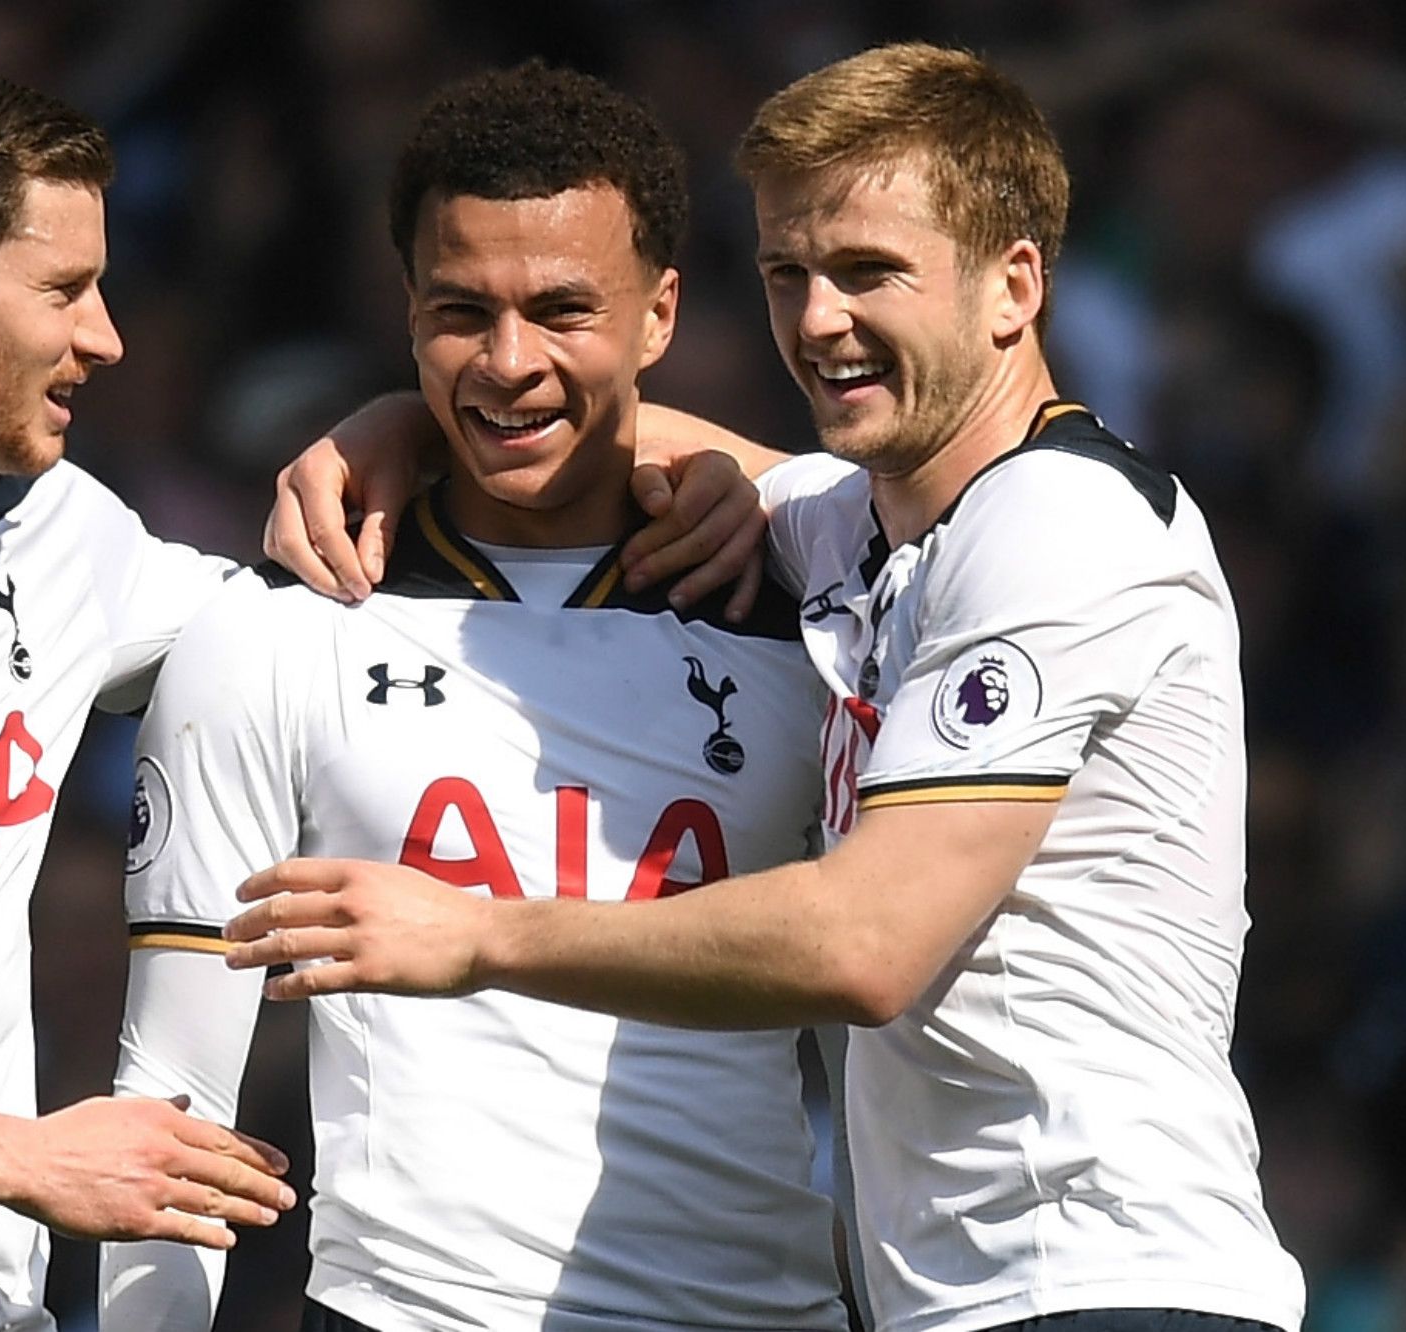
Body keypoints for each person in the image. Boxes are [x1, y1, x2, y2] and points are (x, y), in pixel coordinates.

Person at [0, 61, 769, 1332]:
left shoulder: (55, 541)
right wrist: (19, 1158)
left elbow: (319, 621)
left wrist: (432, 422)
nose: (105, 336)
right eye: (65, 290)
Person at [227, 42, 1308, 1332]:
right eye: (790, 273)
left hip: (1113, 1284)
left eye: (870, 273)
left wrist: (474, 933)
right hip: (951, 1298)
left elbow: (865, 945)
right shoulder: (869, 525)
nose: (818, 321)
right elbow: (602, 433)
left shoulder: (1062, 525)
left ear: (1016, 286)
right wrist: (394, 426)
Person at [100, 60, 847, 1332]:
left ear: (659, 314)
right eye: (461, 311)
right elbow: (172, 1085)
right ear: (404, 310)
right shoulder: (278, 626)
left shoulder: (817, 617)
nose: (509, 364)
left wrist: (758, 481)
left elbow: (876, 1052)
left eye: (563, 308)